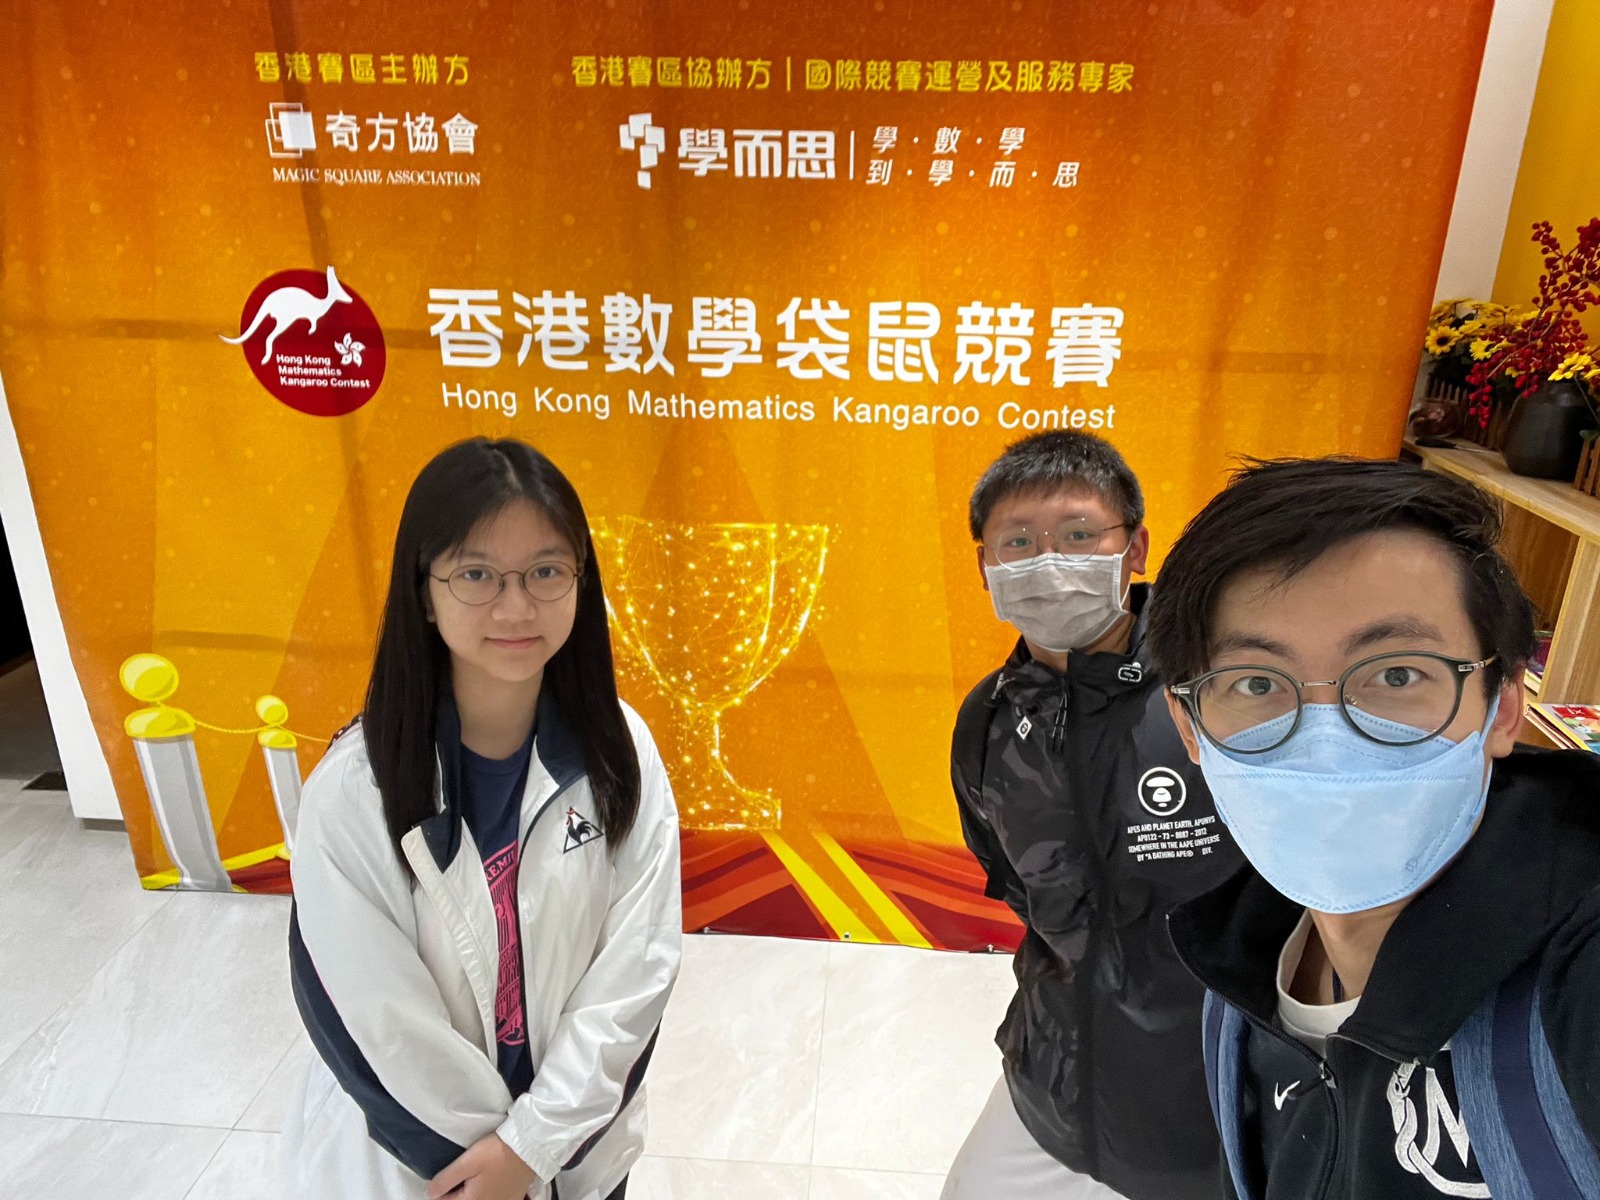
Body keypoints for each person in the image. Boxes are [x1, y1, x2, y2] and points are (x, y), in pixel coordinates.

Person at [1148, 457, 1600, 1199]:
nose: (1324, 739)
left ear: (1504, 707)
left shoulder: (1577, 974)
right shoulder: (1235, 968)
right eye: (1256, 683)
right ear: (1189, 727)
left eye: (1395, 675)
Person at [282, 438, 682, 1200]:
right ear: (423, 592)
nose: (516, 606)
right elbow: (373, 1020)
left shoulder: (621, 754)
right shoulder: (356, 792)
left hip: (577, 1160)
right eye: (476, 574)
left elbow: (637, 972)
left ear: (581, 581)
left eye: (545, 571)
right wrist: (495, 1168)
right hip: (423, 1172)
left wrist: (534, 1147)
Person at [943, 431, 1241, 1200]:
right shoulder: (988, 721)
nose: (1047, 563)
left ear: (1135, 549)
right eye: (1018, 542)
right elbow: (1017, 883)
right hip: (1053, 1079)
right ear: (985, 566)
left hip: (1208, 1102)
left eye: (1078, 535)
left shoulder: (1219, 695)